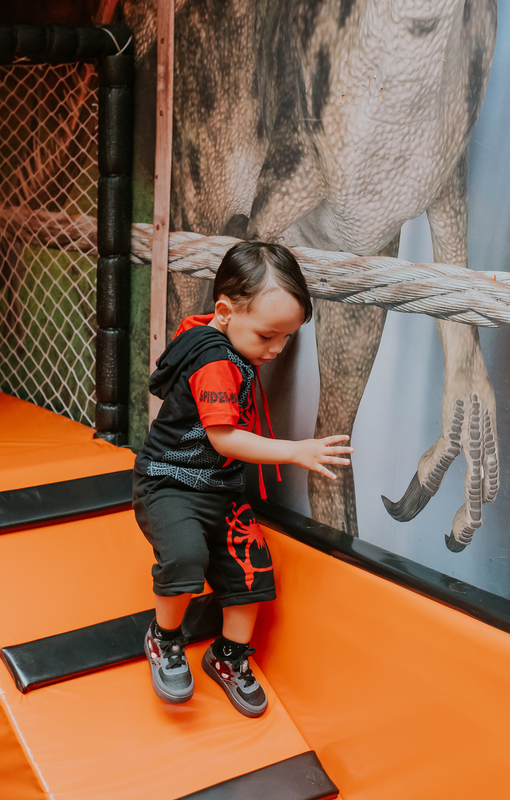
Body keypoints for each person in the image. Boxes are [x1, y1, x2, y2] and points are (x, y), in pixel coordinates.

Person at [134, 241, 353, 717]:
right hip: (170, 484)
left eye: (287, 338)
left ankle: (228, 657)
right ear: (225, 312)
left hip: (218, 490)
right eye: (268, 335)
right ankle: (163, 637)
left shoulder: (229, 339)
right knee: (186, 558)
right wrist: (296, 451)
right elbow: (225, 438)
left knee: (252, 571)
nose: (275, 349)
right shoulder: (215, 360)